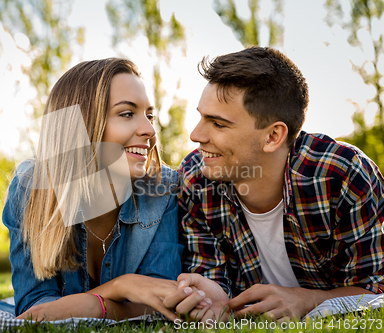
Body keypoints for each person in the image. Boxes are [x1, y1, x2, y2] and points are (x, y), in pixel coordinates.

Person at [164, 46, 384, 322]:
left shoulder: (341, 175)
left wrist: (307, 300)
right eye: (201, 117)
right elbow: (211, 275)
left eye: (218, 124)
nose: (196, 135)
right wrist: (212, 295)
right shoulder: (196, 177)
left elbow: (375, 289)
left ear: (273, 136)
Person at [2, 58, 185, 321]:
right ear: (81, 127)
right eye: (127, 114)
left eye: (149, 115)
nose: (149, 130)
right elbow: (34, 311)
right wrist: (120, 288)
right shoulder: (31, 189)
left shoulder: (162, 189)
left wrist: (92, 306)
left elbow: (164, 303)